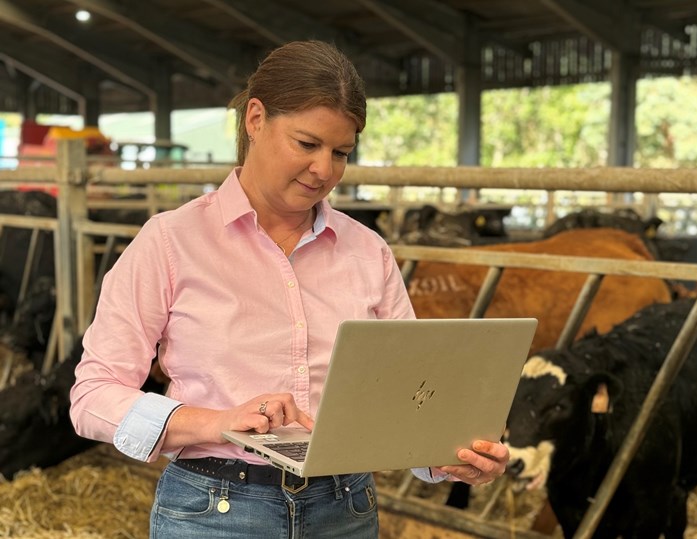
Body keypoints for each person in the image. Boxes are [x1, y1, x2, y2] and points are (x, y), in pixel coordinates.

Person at [70, 40, 510, 538]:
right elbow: (92, 397)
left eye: (341, 152)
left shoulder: (368, 251)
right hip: (214, 509)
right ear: (255, 119)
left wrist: (450, 455)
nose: (325, 170)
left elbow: (408, 400)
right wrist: (219, 422)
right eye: (307, 144)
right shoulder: (171, 242)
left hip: (345, 508)